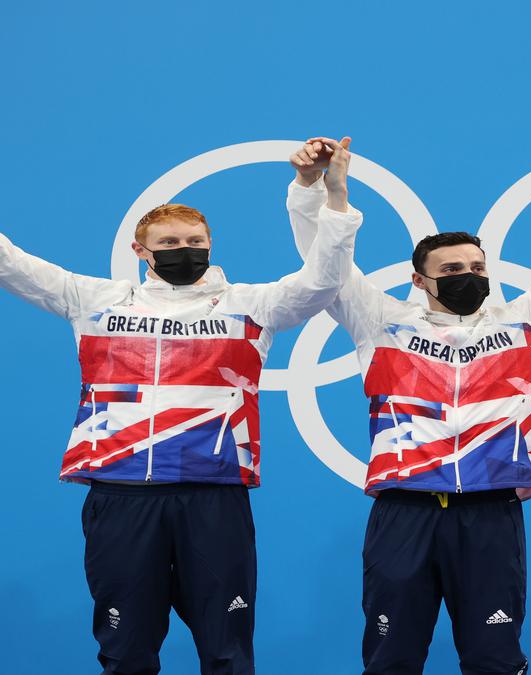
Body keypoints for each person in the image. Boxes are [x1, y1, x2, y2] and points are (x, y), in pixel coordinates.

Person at [0, 138, 361, 674]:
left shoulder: (253, 304)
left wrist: (329, 193)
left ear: (212, 246)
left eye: (195, 240)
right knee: (124, 654)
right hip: (120, 496)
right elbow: (12, 264)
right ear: (141, 252)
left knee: (227, 653)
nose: (183, 248)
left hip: (212, 498)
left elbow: (325, 280)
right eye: (168, 241)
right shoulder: (95, 300)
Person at [285, 128, 531, 675]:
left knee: (494, 660)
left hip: (491, 513)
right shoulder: (381, 323)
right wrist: (315, 190)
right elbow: (326, 270)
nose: (467, 276)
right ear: (419, 281)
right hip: (404, 511)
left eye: (475, 267)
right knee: (390, 660)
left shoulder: (529, 322)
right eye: (451, 270)